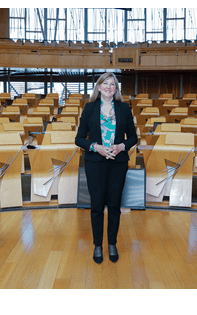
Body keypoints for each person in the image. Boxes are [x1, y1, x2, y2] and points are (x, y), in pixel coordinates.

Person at [75, 73, 137, 264]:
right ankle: (97, 246)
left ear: (116, 89)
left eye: (113, 84)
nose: (109, 87)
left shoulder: (124, 108)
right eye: (105, 83)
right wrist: (97, 147)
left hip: (118, 163)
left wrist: (120, 147)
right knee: (96, 206)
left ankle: (112, 243)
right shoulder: (89, 108)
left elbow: (133, 138)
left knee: (114, 205)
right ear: (99, 87)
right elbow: (79, 138)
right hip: (95, 163)